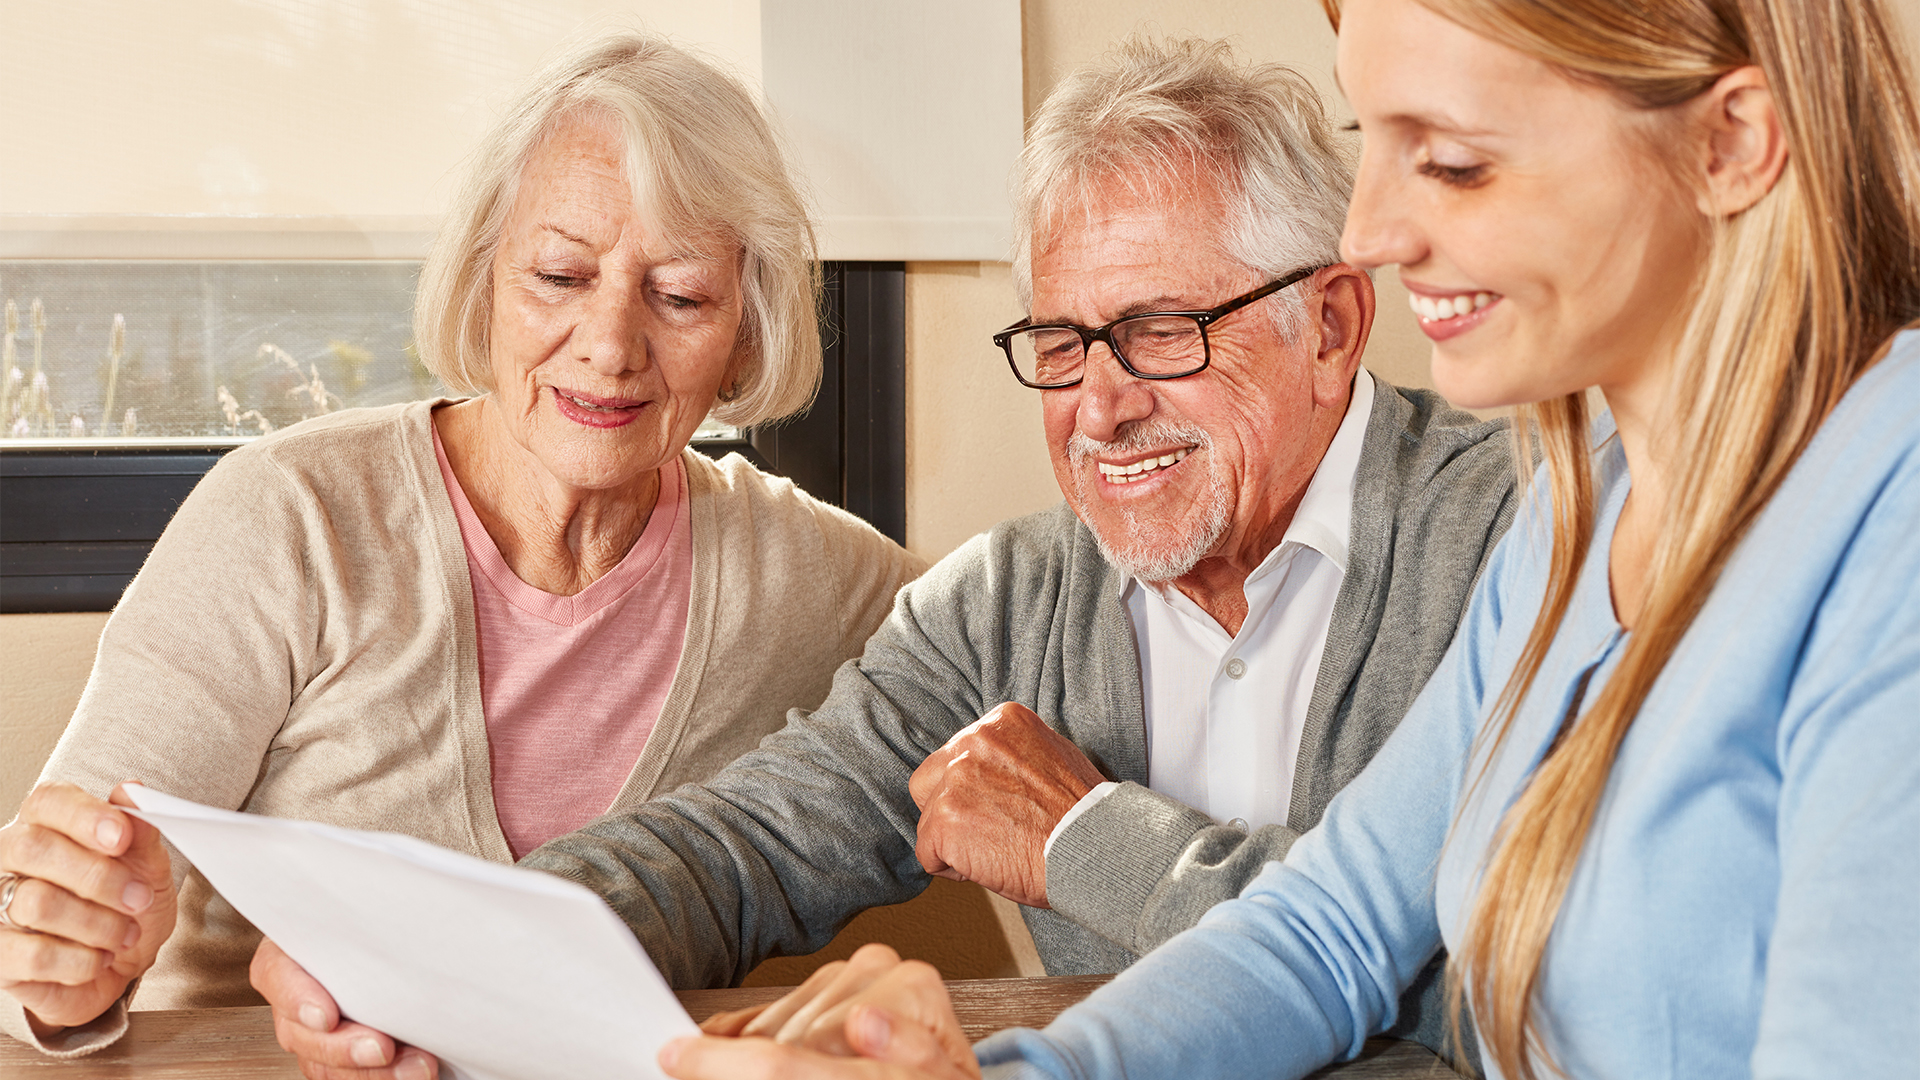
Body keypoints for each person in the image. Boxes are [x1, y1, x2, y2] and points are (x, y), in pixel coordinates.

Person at [655, 0, 1920, 1076]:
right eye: (1379, 144)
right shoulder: (1582, 509)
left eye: (1458, 161)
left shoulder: (1889, 513)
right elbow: (1331, 934)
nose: (1370, 232)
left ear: (1732, 143)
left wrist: (1093, 846)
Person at [253, 39, 1517, 1080]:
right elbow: (744, 846)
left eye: (1159, 333)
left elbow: (1522, 983)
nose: (1101, 406)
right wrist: (441, 952)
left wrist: (1083, 838)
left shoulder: (1517, 540)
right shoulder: (1008, 601)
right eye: (1066, 343)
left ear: (1332, 326)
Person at [0, 31, 924, 1059]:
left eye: (680, 296)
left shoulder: (810, 576)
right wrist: (64, 972)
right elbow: (38, 928)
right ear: (483, 281)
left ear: (747, 331)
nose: (612, 344)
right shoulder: (293, 518)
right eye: (560, 275)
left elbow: (1023, 656)